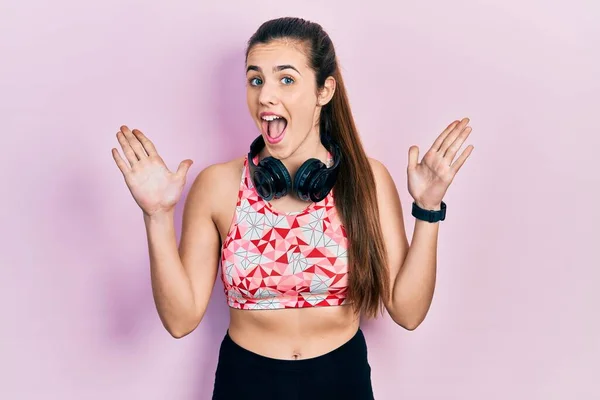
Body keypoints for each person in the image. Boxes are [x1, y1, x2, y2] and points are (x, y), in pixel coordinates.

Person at [111, 17, 473, 400]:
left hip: (342, 379)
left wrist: (428, 209)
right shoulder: (216, 186)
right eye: (255, 80)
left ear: (324, 90)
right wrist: (156, 215)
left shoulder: (367, 180)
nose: (265, 95)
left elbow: (408, 312)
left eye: (286, 79)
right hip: (245, 381)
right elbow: (180, 320)